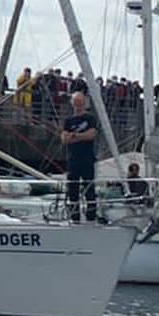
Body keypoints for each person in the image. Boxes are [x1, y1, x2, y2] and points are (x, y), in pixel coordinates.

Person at [61, 90, 102, 222]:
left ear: (84, 103)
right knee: (72, 189)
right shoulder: (68, 120)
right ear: (72, 104)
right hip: (73, 159)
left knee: (89, 188)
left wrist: (75, 136)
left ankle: (91, 216)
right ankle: (74, 216)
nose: (78, 105)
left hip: (87, 159)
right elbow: (64, 139)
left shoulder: (90, 118)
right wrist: (79, 137)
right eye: (76, 103)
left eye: (80, 102)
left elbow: (91, 135)